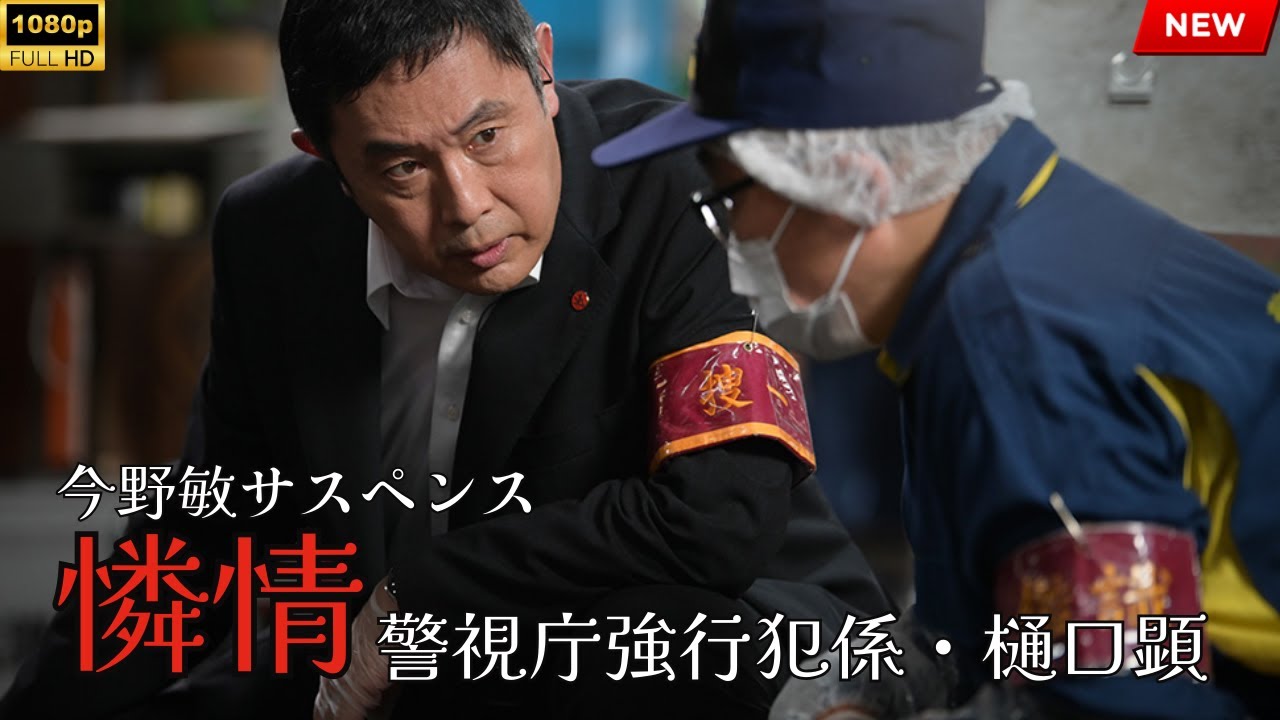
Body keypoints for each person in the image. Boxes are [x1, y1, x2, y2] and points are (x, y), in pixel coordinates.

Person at [0, 1, 953, 719]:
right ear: (326, 160)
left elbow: (715, 523)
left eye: (488, 136)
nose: (467, 206)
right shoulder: (271, 235)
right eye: (402, 169)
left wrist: (417, 595)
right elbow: (209, 528)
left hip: (705, 636)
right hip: (392, 664)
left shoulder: (675, 180)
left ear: (544, 66)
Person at [592, 0, 1280, 718]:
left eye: (729, 197)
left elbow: (1109, 700)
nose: (730, 239)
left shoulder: (1020, 345)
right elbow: (986, 627)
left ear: (853, 187)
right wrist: (858, 697)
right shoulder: (1018, 232)